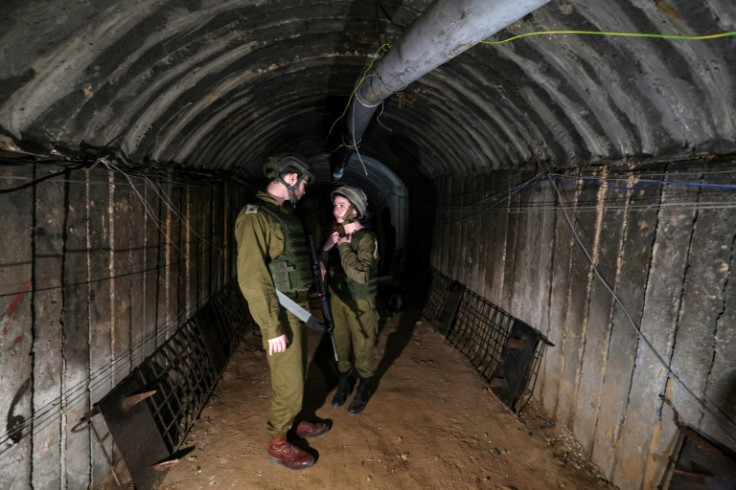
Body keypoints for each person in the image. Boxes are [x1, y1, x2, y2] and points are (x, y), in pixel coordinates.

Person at [234, 153, 329, 470]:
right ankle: (278, 442)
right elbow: (252, 277)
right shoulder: (255, 216)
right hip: (280, 311)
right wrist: (271, 327)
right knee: (288, 382)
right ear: (291, 178)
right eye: (303, 185)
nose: (303, 192)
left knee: (297, 373)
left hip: (297, 305)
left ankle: (294, 421)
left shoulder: (282, 214)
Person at [320, 185, 380, 414]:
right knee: (341, 344)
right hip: (338, 298)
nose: (336, 209)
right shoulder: (337, 233)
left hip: (361, 301)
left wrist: (344, 247)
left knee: (363, 346)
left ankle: (364, 386)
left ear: (354, 211)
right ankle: (344, 382)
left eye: (342, 205)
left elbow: (361, 274)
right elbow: (323, 262)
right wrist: (328, 246)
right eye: (335, 205)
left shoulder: (367, 238)